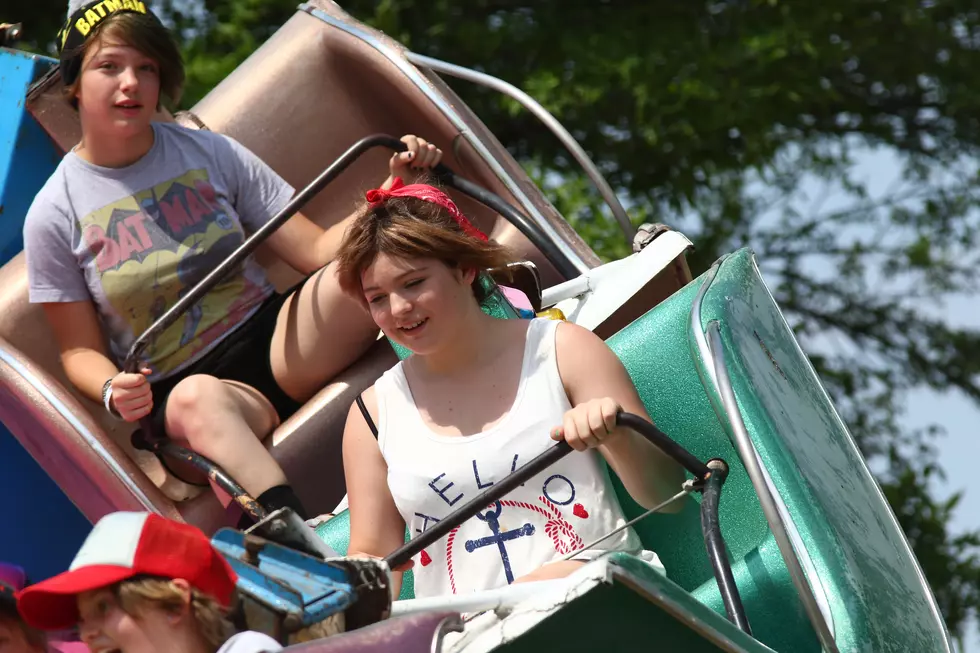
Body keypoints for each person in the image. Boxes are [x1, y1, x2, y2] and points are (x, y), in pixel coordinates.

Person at [24, 0, 444, 521]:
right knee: (198, 398)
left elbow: (315, 251)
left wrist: (396, 186)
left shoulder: (210, 153)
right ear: (74, 83)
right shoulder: (53, 213)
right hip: (186, 395)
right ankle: (302, 548)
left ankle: (492, 344)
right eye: (108, 67)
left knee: (379, 260)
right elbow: (78, 351)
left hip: (280, 345)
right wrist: (112, 388)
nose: (129, 83)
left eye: (146, 67)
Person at [333, 178, 687, 598]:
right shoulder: (371, 415)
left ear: (464, 268)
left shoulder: (564, 349)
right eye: (377, 298)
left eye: (413, 283)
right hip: (471, 637)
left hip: (597, 605)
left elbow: (670, 494)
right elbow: (373, 556)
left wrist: (618, 435)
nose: (397, 309)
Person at [16, 512, 282, 653]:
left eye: (104, 607)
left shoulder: (250, 649)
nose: (87, 635)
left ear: (175, 605)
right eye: (81, 621)